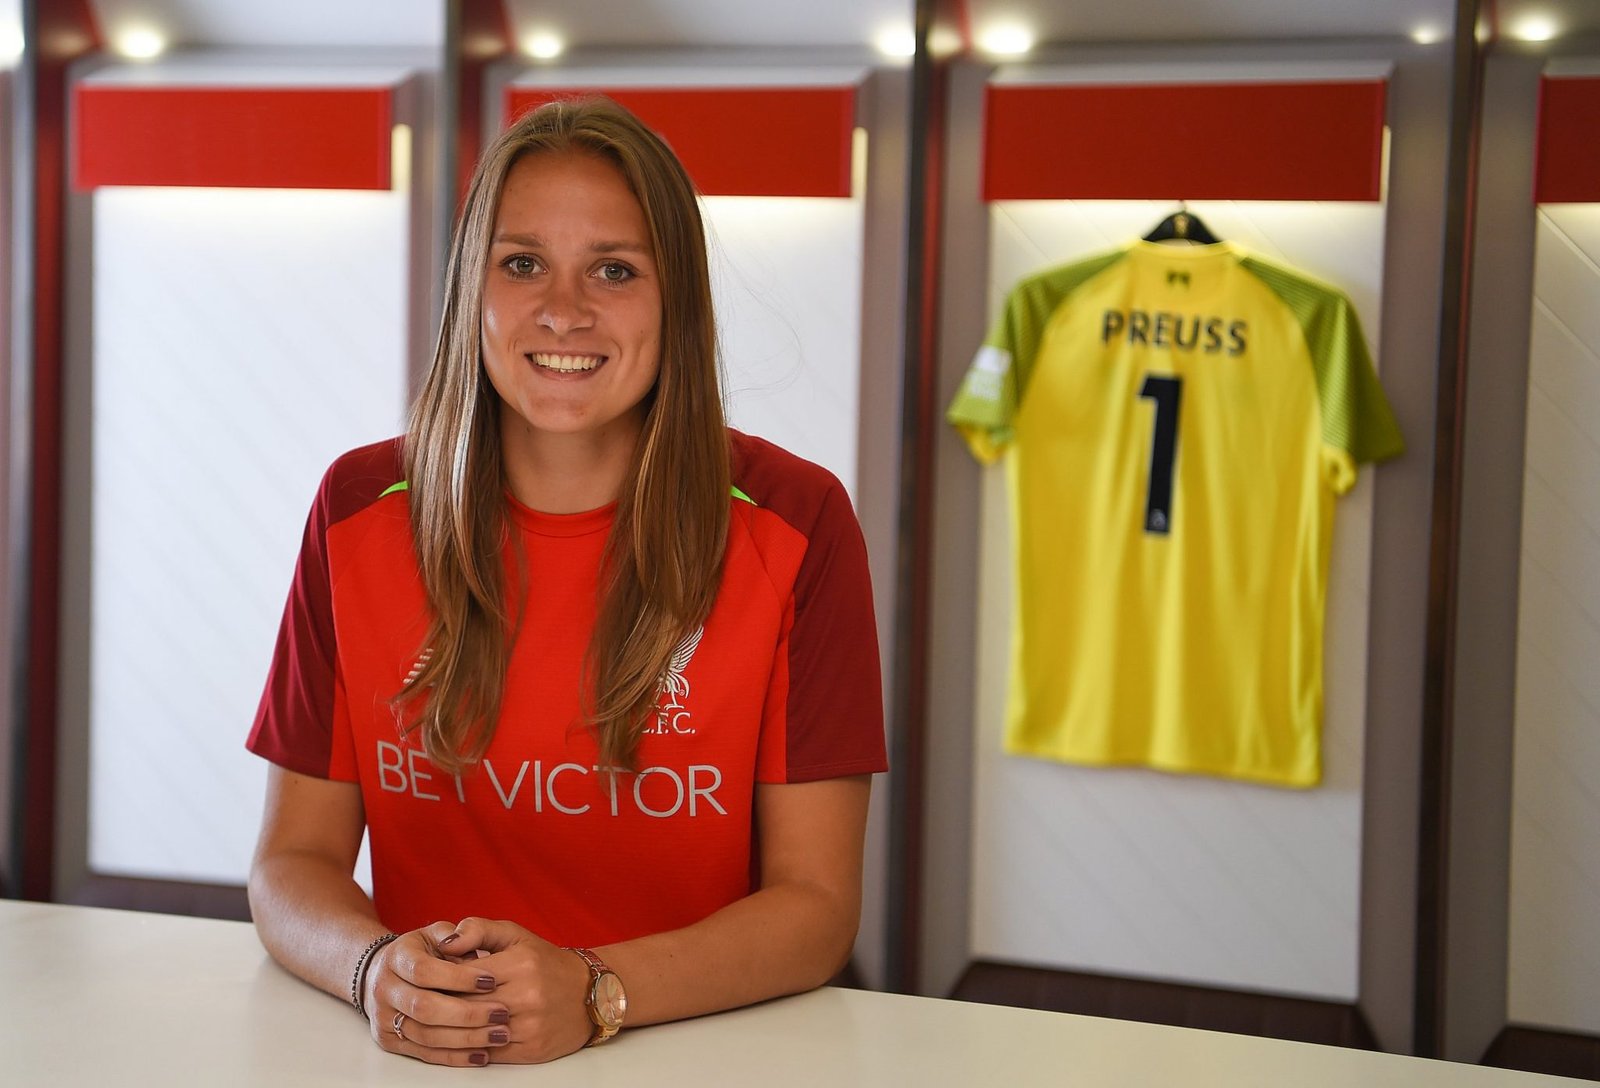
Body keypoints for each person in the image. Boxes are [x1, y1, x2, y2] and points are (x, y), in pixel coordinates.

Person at [245, 97, 886, 1067]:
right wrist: (376, 969)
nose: (563, 309)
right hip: (429, 1053)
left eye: (615, 270)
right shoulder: (356, 505)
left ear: (679, 298)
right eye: (522, 263)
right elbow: (289, 864)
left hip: (701, 1046)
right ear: (473, 286)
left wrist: (595, 989)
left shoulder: (796, 522)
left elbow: (817, 907)